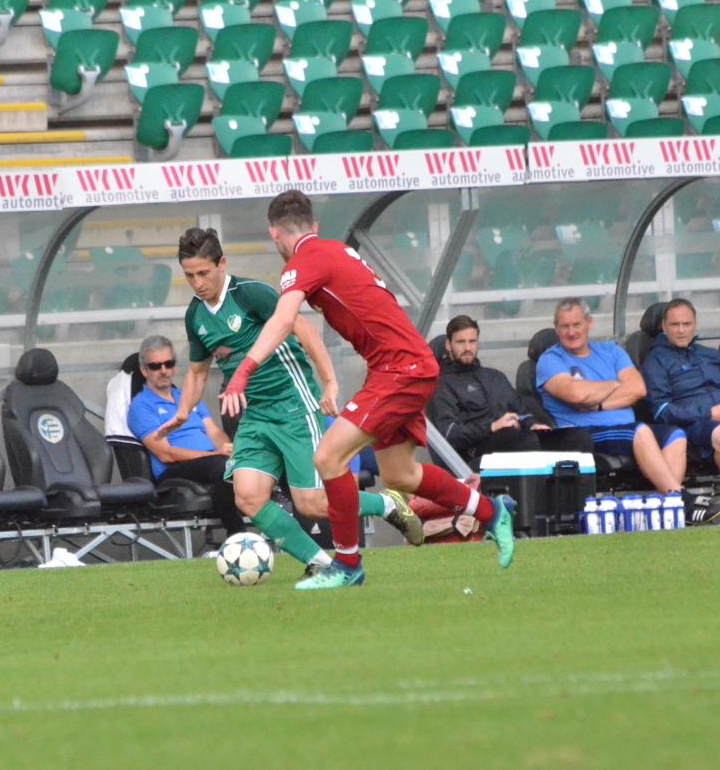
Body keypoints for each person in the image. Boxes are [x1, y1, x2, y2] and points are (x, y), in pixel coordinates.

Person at [217, 190, 514, 590]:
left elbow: (285, 319)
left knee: (328, 457)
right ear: (315, 226)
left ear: (275, 234)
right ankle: (492, 512)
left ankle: (347, 565)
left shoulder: (302, 262)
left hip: (400, 369)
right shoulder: (335, 249)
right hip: (401, 365)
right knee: (401, 474)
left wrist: (244, 370)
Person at [151, 229, 424, 578]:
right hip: (256, 416)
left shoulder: (250, 294)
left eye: (203, 273)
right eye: (189, 275)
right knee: (248, 497)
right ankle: (321, 564)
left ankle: (386, 504)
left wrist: (328, 383)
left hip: (293, 404)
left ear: (222, 264)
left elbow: (305, 331)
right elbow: (197, 373)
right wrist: (183, 411)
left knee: (311, 503)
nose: (197, 282)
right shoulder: (196, 316)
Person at [537, 298, 688, 495]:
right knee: (640, 431)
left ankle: (665, 506)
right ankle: (680, 498)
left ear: (589, 322)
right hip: (585, 433)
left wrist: (598, 404)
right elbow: (575, 394)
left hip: (626, 430)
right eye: (565, 326)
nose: (571, 332)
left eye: (577, 324)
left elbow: (638, 388)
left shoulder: (611, 351)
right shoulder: (550, 360)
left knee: (675, 435)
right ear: (556, 328)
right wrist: (614, 384)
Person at [641, 299, 720, 522]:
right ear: (664, 326)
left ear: (695, 324)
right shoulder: (655, 360)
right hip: (694, 426)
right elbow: (661, 411)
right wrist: (710, 414)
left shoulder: (709, 354)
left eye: (686, 324)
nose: (681, 330)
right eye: (675, 324)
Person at [428, 315, 595, 468]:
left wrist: (533, 424)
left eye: (472, 341)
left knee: (578, 438)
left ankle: (574, 498)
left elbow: (522, 412)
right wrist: (492, 426)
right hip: (476, 449)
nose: (467, 348)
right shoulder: (441, 384)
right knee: (524, 441)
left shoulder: (495, 376)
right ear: (448, 345)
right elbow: (450, 434)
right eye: (460, 342)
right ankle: (530, 498)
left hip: (514, 437)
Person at [127, 335, 246, 535]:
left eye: (168, 363)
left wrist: (227, 448)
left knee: (256, 459)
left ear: (174, 366)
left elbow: (215, 432)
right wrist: (216, 456)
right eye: (155, 366)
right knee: (223, 466)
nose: (163, 370)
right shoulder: (141, 405)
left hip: (210, 462)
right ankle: (238, 535)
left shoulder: (188, 396)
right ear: (144, 370)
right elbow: (166, 453)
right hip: (174, 469)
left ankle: (282, 533)